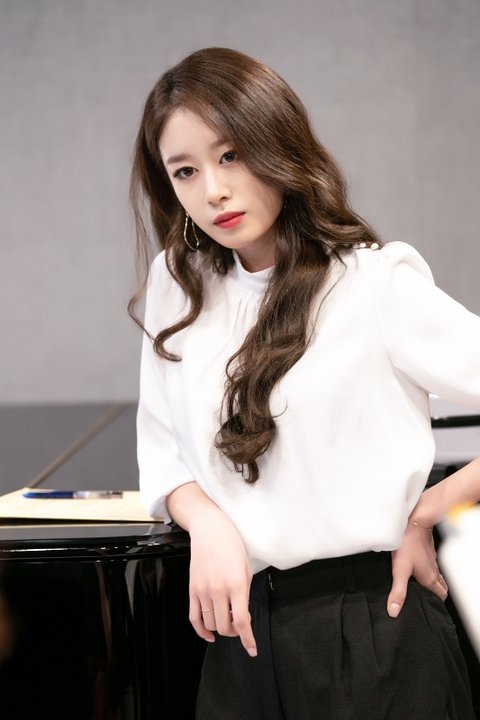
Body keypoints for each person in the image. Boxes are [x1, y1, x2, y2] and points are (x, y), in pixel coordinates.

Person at [129, 47, 480, 719]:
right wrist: (206, 522)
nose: (213, 190)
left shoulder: (372, 283)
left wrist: (431, 508)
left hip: (375, 634)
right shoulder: (179, 287)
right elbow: (163, 452)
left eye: (231, 155)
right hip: (240, 642)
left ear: (277, 144)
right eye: (185, 170)